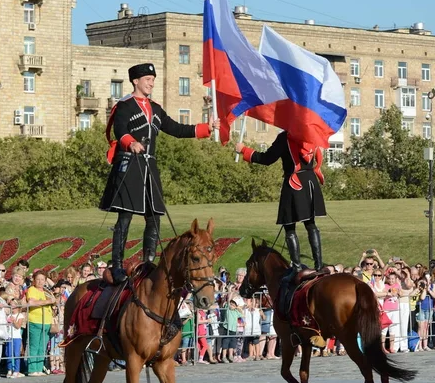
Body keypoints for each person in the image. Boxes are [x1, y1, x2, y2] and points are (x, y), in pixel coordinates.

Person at [100, 62, 219, 284]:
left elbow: (176, 128)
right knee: (124, 217)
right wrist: (130, 142)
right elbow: (120, 130)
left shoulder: (155, 108)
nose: (151, 82)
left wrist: (206, 128)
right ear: (136, 81)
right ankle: (116, 265)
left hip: (149, 167)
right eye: (147, 79)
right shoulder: (124, 105)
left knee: (154, 216)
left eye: (153, 79)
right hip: (130, 164)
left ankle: (147, 261)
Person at [236, 132, 326, 273]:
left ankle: (296, 268)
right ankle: (319, 266)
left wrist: (244, 150)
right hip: (310, 182)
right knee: (311, 224)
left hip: (294, 182)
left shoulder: (284, 137)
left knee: (289, 227)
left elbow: (267, 158)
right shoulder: (309, 133)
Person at [25, 271, 56, 376]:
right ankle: (32, 369)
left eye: (42, 279)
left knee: (42, 346)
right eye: (38, 279)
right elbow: (32, 302)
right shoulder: (32, 289)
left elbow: (54, 300)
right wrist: (48, 302)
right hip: (35, 320)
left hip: (46, 321)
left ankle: (39, 368)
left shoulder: (46, 291)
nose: (40, 281)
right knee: (34, 346)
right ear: (34, 280)